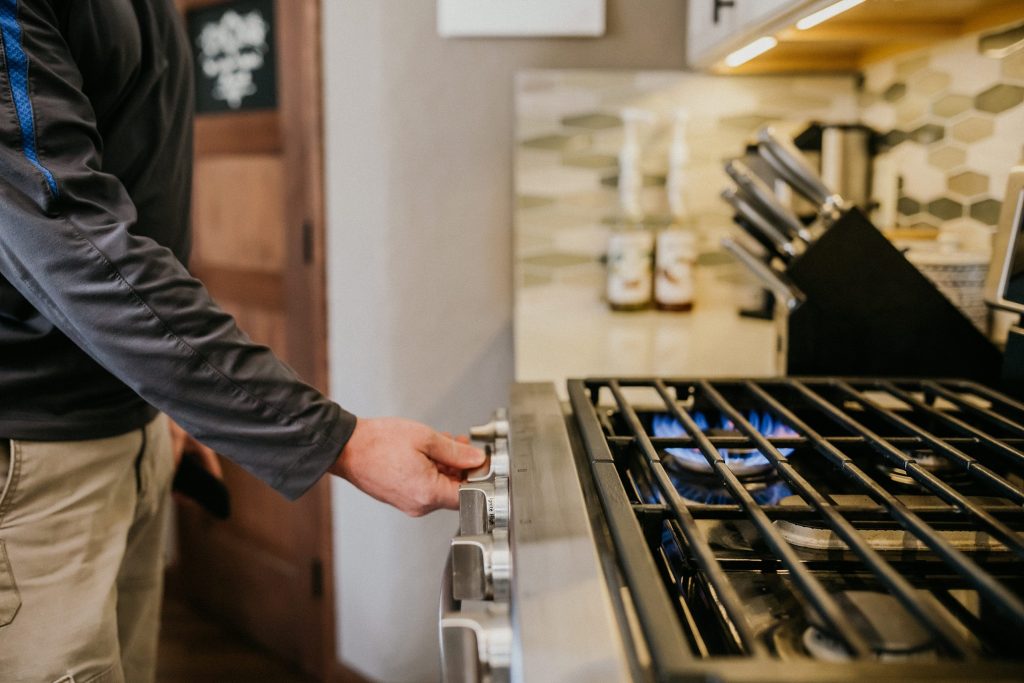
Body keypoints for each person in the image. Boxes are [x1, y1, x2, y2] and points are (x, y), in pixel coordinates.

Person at [0, 1, 484, 681]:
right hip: (31, 467)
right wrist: (338, 439)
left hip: (125, 430)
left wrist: (163, 399)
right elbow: (74, 244)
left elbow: (136, 208)